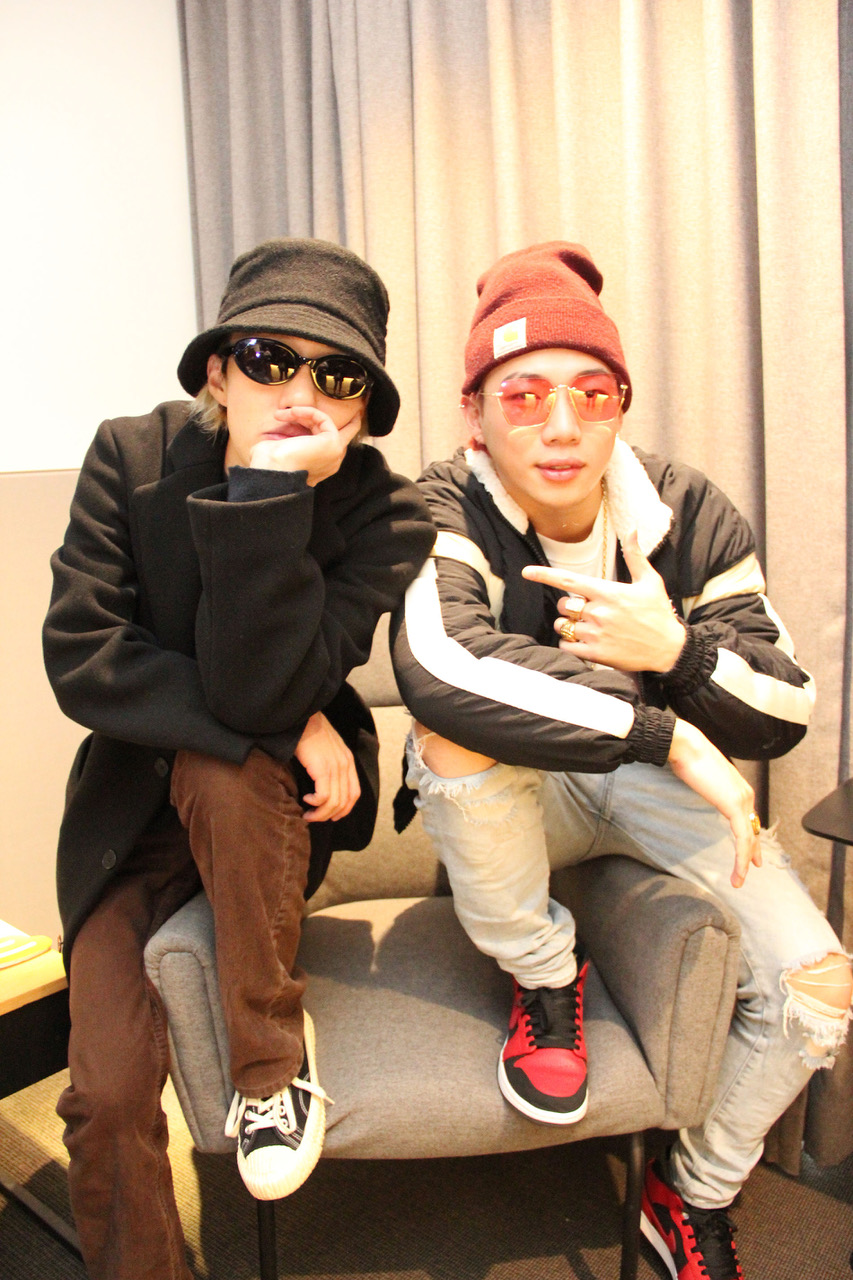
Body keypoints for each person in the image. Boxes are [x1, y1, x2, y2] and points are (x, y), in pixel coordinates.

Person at [390, 241, 852, 1280]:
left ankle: (690, 1192)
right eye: (524, 396)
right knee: (450, 726)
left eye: (590, 394)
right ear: (474, 412)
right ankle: (543, 975)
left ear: (619, 405)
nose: (561, 426)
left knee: (820, 986)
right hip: (525, 791)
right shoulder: (442, 503)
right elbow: (440, 663)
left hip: (642, 793)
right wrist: (669, 730)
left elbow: (784, 704)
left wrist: (675, 651)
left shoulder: (684, 510)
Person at [43, 237, 435, 1280]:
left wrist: (267, 491)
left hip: (266, 811)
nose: (300, 392)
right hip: (132, 816)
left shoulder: (384, 512)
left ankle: (273, 1064)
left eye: (336, 375)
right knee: (105, 1092)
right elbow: (85, 659)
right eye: (269, 359)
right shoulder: (130, 456)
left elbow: (257, 687)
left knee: (219, 769)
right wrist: (287, 722)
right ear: (217, 372)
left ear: (362, 408)